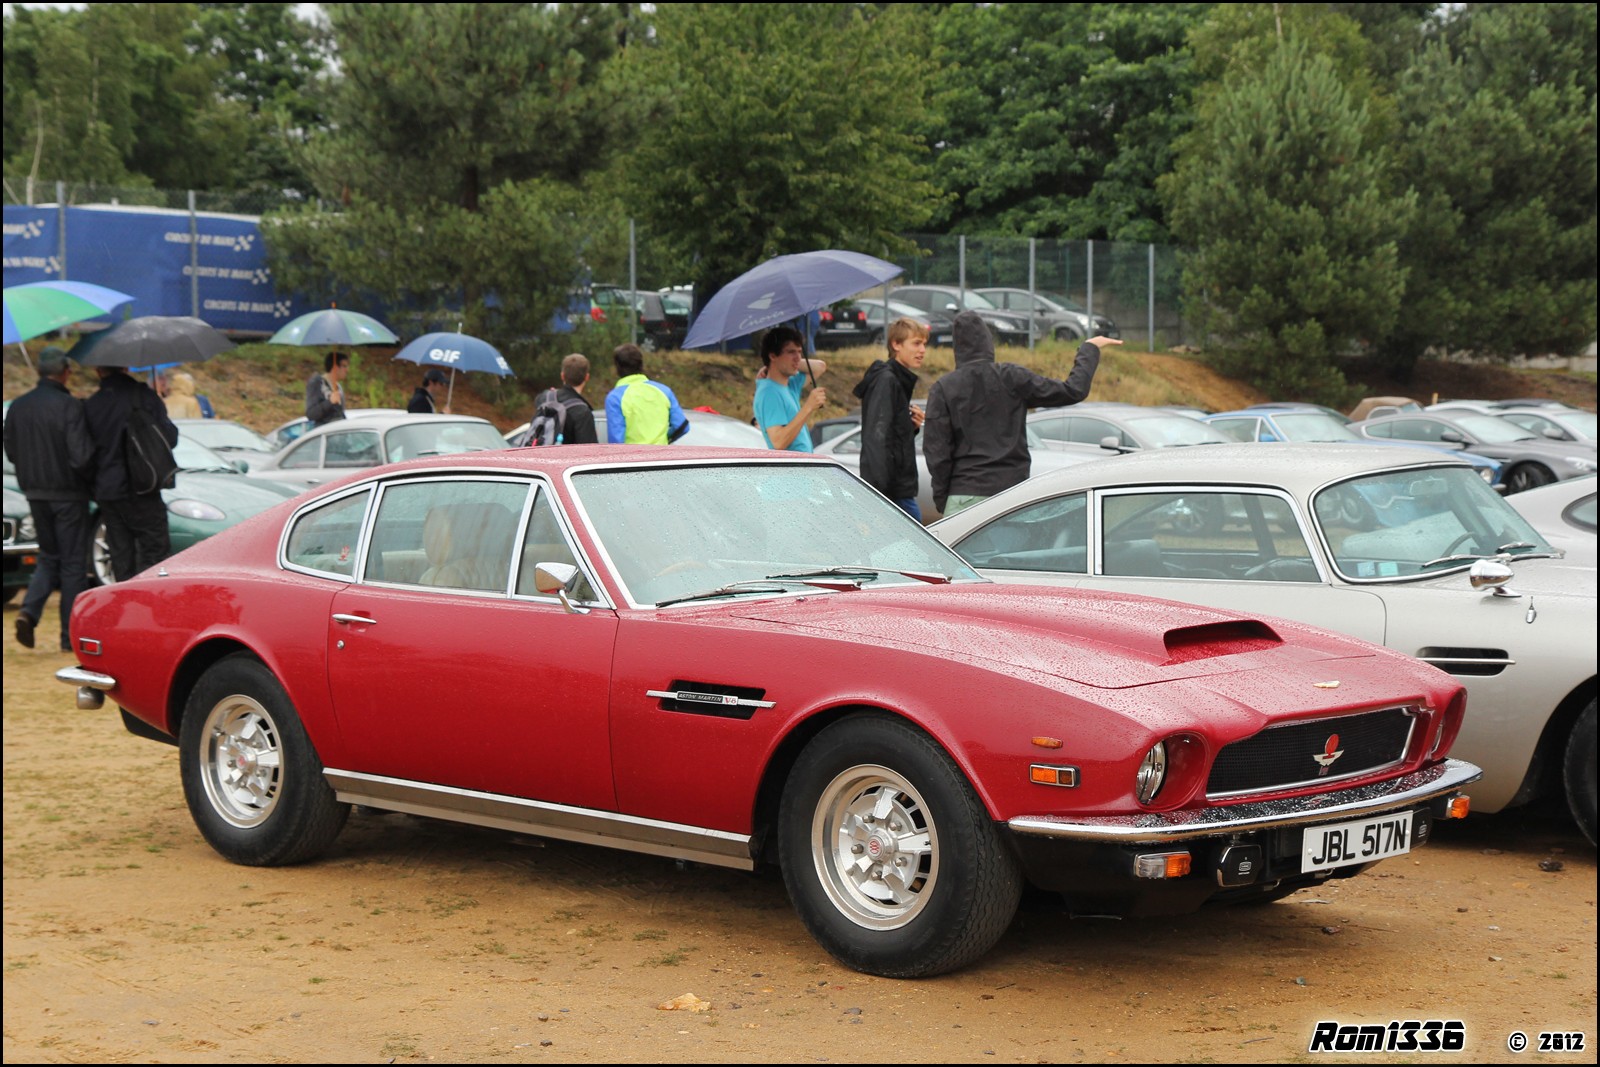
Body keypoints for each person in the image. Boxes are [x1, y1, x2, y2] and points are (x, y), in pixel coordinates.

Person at [924, 310, 1117, 517]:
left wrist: (944, 498)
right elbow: (1072, 391)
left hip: (965, 493)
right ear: (988, 342)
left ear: (957, 347)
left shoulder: (943, 388)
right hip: (1012, 494)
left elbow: (937, 451)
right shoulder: (1011, 377)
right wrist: (1089, 349)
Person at [3, 347, 95, 651]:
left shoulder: (17, 406)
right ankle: (69, 638)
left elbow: (12, 452)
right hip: (68, 494)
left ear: (40, 372)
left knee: (47, 556)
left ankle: (29, 612)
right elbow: (81, 456)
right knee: (71, 565)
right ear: (65, 372)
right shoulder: (70, 407)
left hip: (34, 493)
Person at [83, 363, 179, 582]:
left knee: (120, 554)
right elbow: (170, 438)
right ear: (126, 367)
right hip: (143, 486)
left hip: (108, 491)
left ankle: (125, 604)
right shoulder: (144, 396)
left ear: (98, 370)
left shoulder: (92, 405)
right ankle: (150, 603)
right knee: (155, 552)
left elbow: (85, 452)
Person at [853, 317, 928, 519]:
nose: (922, 350)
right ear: (896, 344)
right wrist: (880, 496)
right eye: (916, 343)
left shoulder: (896, 379)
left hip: (897, 490)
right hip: (892, 493)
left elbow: (891, 437)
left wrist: (909, 427)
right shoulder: (887, 380)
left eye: (924, 344)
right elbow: (876, 439)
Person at [753, 326, 828, 452]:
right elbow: (778, 442)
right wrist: (808, 407)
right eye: (791, 352)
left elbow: (820, 367)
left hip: (804, 467)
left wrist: (769, 366)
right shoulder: (769, 393)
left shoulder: (790, 383)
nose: (798, 357)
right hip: (792, 470)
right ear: (773, 356)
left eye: (799, 352)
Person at [604, 343, 688, 445]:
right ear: (641, 364)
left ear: (617, 367)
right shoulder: (664, 391)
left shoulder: (615, 398)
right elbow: (681, 425)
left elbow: (616, 441)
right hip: (661, 457)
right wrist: (664, 440)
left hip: (633, 458)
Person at [543, 353, 599, 444]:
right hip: (564, 458)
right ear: (587, 377)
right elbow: (589, 452)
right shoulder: (582, 412)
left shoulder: (545, 398)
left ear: (562, 375)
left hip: (540, 456)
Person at [306, 351, 349, 426]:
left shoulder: (338, 387)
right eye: (344, 366)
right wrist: (330, 402)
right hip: (324, 433)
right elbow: (311, 414)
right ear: (335, 367)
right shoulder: (317, 383)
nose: (347, 370)